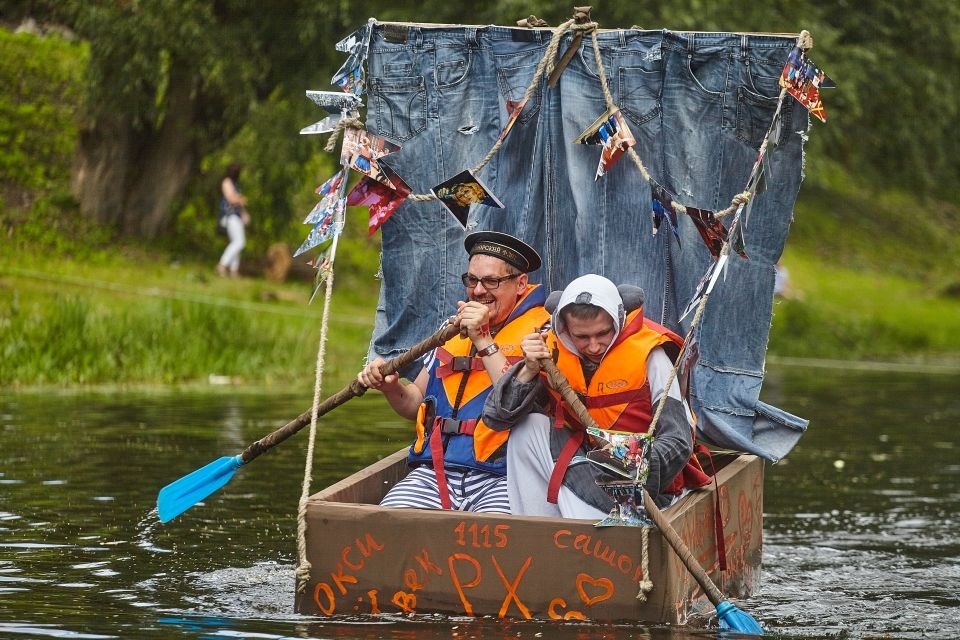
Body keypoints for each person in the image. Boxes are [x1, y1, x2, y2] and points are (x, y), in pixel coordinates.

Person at [482, 274, 712, 519]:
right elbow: (497, 419)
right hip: (581, 467)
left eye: (602, 333)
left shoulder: (651, 357)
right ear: (565, 329)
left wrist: (636, 466)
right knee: (528, 426)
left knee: (613, 475)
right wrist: (528, 369)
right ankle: (539, 527)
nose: (593, 346)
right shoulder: (551, 351)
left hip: (643, 485)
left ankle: (596, 525)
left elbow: (679, 440)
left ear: (618, 321)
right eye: (582, 337)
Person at [358, 231, 549, 513]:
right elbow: (414, 403)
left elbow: (520, 404)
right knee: (390, 525)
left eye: (491, 281)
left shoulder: (543, 334)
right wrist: (391, 387)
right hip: (434, 472)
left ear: (521, 284)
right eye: (472, 280)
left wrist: (483, 340)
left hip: (506, 476)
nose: (479, 291)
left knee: (498, 538)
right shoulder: (449, 329)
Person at [217, 163, 250, 278]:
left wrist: (244, 214)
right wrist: (241, 200)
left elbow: (239, 204)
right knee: (239, 242)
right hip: (230, 216)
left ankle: (234, 270)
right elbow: (231, 199)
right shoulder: (226, 182)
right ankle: (222, 264)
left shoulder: (236, 185)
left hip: (237, 216)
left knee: (237, 242)